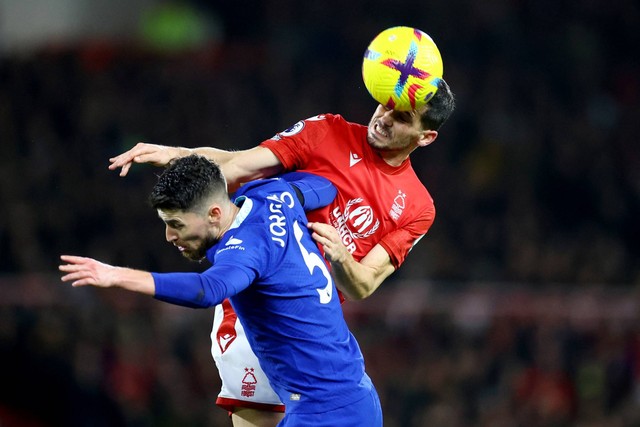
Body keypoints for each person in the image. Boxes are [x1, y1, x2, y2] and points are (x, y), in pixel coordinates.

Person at [109, 78, 456, 426]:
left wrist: (341, 257)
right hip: (255, 315)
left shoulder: (417, 207)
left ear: (425, 136)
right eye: (384, 104)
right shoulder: (327, 131)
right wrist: (177, 155)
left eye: (402, 117)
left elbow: (361, 286)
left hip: (314, 334)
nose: (384, 117)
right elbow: (238, 166)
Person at [59, 155, 383, 427]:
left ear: (215, 214)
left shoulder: (245, 248)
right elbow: (324, 187)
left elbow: (208, 289)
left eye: (177, 224)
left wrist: (117, 275)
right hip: (352, 396)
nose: (169, 236)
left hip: (323, 413)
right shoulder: (271, 193)